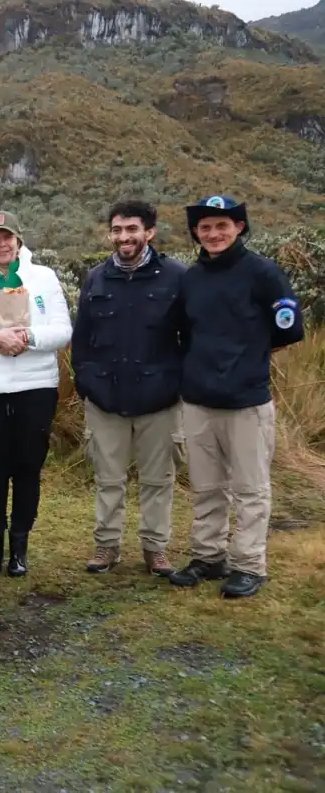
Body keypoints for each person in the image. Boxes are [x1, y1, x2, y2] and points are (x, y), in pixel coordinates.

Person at [168, 196, 304, 598]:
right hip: (198, 401)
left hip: (246, 401)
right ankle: (209, 556)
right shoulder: (191, 278)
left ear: (239, 228)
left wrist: (249, 358)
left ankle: (248, 565)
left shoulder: (263, 273)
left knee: (250, 489)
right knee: (207, 487)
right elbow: (184, 332)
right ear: (197, 232)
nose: (214, 234)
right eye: (206, 227)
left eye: (222, 226)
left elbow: (289, 329)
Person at [71, 201, 185, 576]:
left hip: (160, 401)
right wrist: (86, 382)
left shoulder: (175, 277)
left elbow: (190, 337)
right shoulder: (96, 279)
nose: (124, 237)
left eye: (132, 229)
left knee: (158, 481)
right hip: (105, 399)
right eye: (117, 230)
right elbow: (82, 338)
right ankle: (107, 546)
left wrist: (178, 383)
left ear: (149, 232)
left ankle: (155, 549)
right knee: (108, 480)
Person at [0, 211, 71, 578]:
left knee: (27, 469)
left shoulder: (44, 277)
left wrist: (29, 338)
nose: (1, 244)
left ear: (18, 241)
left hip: (35, 388)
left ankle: (19, 547)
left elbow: (62, 331)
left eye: (7, 237)